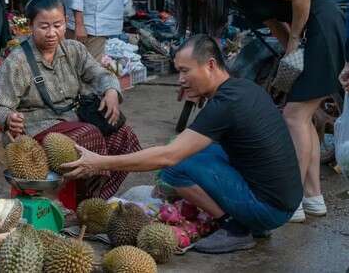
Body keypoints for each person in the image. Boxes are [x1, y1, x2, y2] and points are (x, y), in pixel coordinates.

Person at [62, 34, 303, 254]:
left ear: (210, 65)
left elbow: (169, 156)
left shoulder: (225, 105)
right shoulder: (242, 88)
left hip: (269, 209)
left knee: (173, 166)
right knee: (191, 147)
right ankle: (249, 221)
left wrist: (101, 162)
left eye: (185, 71)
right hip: (283, 201)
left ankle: (233, 227)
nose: (181, 79)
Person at [171, 0, 345, 222]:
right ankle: (312, 197)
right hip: (312, 34)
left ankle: (292, 197)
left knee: (294, 117)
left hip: (322, 26)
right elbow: (275, 22)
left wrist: (296, 39)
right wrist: (290, 56)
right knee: (303, 117)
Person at [0, 0, 142, 203]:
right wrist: (9, 119)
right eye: (44, 26)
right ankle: (83, 199)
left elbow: (99, 74)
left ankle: (94, 201)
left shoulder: (74, 50)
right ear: (31, 26)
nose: (52, 33)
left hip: (73, 119)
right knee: (87, 134)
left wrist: (111, 91)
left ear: (65, 23)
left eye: (58, 25)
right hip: (38, 128)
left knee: (124, 135)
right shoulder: (17, 62)